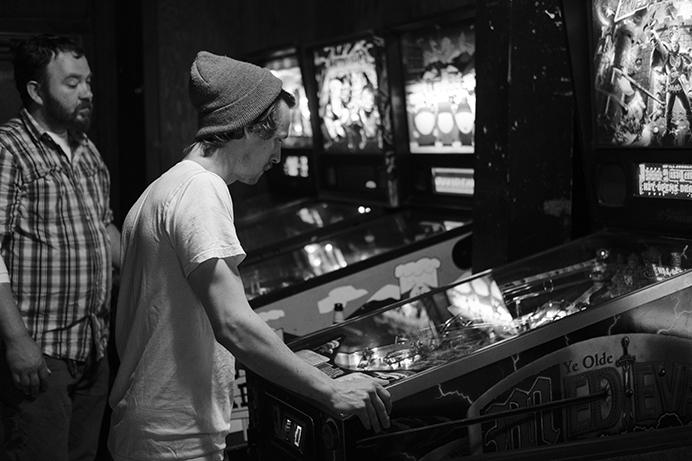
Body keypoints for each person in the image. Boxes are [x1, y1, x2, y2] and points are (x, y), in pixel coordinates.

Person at [108, 51, 391, 461]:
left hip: (153, 427)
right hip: (174, 437)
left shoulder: (162, 188)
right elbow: (233, 323)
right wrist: (331, 389)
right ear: (246, 127)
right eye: (276, 139)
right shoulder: (202, 190)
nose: (278, 156)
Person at [0, 34, 121, 461]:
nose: (87, 92)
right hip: (40, 354)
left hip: (92, 348)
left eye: (87, 81)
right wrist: (17, 340)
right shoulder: (9, 148)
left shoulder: (87, 149)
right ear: (36, 90)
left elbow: (105, 229)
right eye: (72, 83)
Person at [650, 31, 692, 134]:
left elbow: (685, 68)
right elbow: (659, 45)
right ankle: (668, 129)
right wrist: (654, 35)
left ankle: (691, 125)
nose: (675, 46)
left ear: (678, 46)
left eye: (676, 45)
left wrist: (689, 66)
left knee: (687, 107)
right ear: (671, 45)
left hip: (679, 87)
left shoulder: (681, 59)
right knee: (668, 110)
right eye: (673, 44)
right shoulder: (666, 56)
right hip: (670, 88)